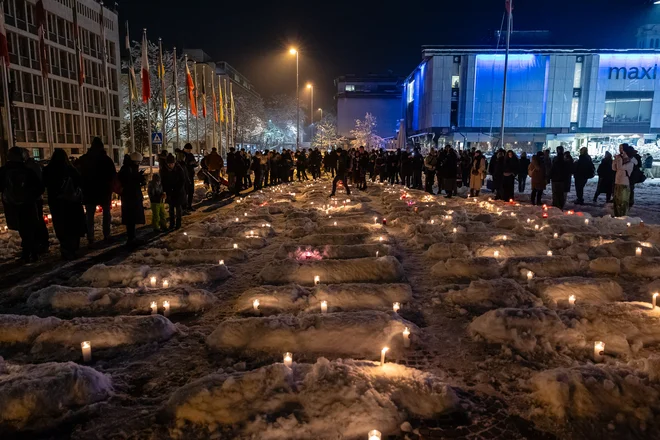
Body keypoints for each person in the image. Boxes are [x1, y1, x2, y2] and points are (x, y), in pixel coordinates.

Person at [0, 147, 45, 262]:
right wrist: (30, 197)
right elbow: (40, 187)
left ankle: (27, 253)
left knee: (22, 229)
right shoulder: (27, 170)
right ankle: (32, 252)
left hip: (12, 206)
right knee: (29, 228)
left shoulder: (4, 171)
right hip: (28, 205)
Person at [43, 149, 86, 260]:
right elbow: (80, 182)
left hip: (57, 203)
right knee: (73, 226)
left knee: (61, 226)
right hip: (72, 203)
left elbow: (44, 183)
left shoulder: (48, 170)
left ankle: (65, 248)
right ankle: (73, 248)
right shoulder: (71, 170)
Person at [78, 137, 116, 245]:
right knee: (106, 214)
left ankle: (90, 237)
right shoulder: (106, 159)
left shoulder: (84, 159)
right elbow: (113, 175)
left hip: (89, 191)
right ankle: (106, 234)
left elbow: (78, 174)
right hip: (104, 190)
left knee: (89, 215)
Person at [118, 152, 146, 246]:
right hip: (130, 197)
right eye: (138, 162)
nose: (138, 164)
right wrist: (138, 178)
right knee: (131, 218)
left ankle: (132, 237)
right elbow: (129, 182)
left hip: (130, 197)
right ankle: (131, 239)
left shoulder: (127, 168)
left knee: (132, 219)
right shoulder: (128, 169)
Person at [612, 144, 637, 217]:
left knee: (622, 201)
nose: (620, 150)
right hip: (617, 181)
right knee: (616, 201)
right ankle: (617, 215)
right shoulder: (620, 158)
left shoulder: (631, 161)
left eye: (622, 148)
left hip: (624, 183)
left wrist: (618, 159)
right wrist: (615, 161)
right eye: (619, 148)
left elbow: (620, 167)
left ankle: (623, 216)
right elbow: (614, 168)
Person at [182, 144, 198, 211]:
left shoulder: (190, 155)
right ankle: (184, 207)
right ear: (185, 148)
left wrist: (195, 164)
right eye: (188, 149)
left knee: (191, 191)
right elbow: (182, 164)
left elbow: (193, 163)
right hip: (184, 176)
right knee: (185, 192)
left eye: (190, 150)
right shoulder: (182, 155)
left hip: (190, 175)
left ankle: (189, 205)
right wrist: (189, 163)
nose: (189, 151)